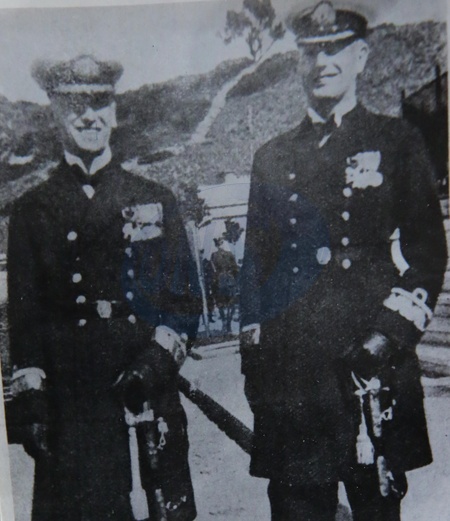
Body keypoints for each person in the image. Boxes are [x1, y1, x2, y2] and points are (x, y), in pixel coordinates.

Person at [239, 3, 447, 521]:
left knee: (376, 508)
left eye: (335, 50)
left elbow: (427, 253)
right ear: (298, 62)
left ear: (361, 57)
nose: (323, 63)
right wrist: (257, 369)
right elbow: (255, 269)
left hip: (369, 365)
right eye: (311, 52)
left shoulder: (396, 141)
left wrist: (388, 335)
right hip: (294, 377)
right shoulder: (272, 157)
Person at [7, 55, 201, 521]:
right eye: (76, 106)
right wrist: (31, 399)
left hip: (148, 392)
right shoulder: (32, 210)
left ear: (114, 112)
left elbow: (184, 301)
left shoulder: (155, 198)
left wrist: (154, 364)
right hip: (73, 404)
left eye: (99, 103)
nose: (89, 116)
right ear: (54, 112)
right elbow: (25, 319)